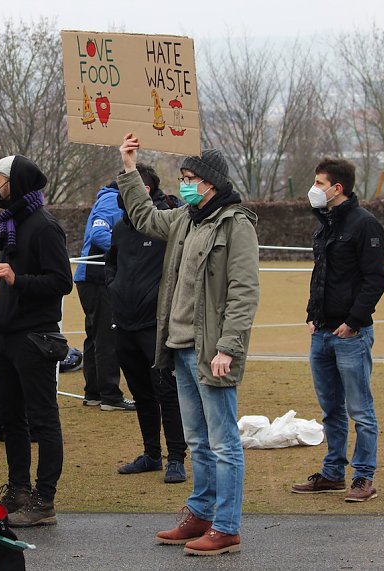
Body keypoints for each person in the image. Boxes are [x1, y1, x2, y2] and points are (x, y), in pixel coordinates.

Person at [117, 134, 259, 556]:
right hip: (179, 348)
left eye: (192, 177)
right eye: (182, 178)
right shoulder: (184, 218)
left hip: (212, 351)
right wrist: (129, 168)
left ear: (212, 182)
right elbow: (143, 216)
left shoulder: (236, 224)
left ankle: (227, 526)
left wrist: (228, 346)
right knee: (197, 440)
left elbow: (244, 290)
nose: (185, 184)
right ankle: (200, 512)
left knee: (223, 443)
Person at [291, 158, 384, 502]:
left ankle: (363, 477)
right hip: (322, 332)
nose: (314, 189)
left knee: (360, 409)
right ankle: (332, 473)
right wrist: (312, 315)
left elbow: (375, 279)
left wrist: (353, 322)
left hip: (351, 335)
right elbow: (322, 274)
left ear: (337, 188)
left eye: (319, 183)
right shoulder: (325, 224)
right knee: (331, 409)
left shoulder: (365, 225)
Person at [0, 154, 73, 528]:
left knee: (42, 419)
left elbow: (61, 282)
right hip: (4, 336)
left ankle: (44, 499)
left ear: (17, 183)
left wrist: (18, 279)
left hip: (34, 337)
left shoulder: (45, 227)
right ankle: (19, 489)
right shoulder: (10, 225)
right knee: (10, 418)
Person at [106, 163, 187, 483]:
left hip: (156, 325)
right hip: (124, 323)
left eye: (124, 188)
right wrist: (115, 290)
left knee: (166, 391)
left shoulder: (167, 226)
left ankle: (177, 458)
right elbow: (110, 265)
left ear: (145, 190)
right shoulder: (120, 229)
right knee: (140, 392)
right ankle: (152, 454)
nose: (118, 194)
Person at [74, 176, 134, 411]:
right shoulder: (111, 201)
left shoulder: (106, 199)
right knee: (107, 336)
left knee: (95, 336)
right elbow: (99, 234)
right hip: (97, 278)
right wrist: (126, 251)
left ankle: (95, 392)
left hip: (89, 278)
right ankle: (110, 395)